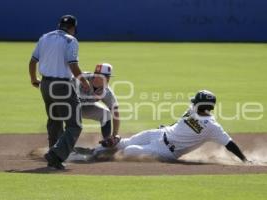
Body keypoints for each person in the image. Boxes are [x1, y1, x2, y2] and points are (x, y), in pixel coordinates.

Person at [85, 90, 250, 163]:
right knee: (122, 143)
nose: (192, 102)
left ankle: (106, 155)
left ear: (203, 104)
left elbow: (229, 143)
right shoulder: (192, 109)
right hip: (159, 134)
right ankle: (95, 152)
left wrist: (244, 160)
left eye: (196, 100)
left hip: (167, 151)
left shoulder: (212, 127)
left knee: (129, 151)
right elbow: (180, 123)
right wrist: (167, 126)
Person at [29, 14, 90, 169]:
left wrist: (34, 79)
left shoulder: (45, 37)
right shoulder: (71, 40)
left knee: (54, 121)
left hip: (45, 85)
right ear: (73, 28)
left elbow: (32, 61)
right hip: (62, 86)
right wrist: (84, 82)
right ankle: (55, 155)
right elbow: (73, 66)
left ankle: (53, 157)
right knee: (74, 125)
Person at [73, 63, 120, 143]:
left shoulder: (107, 92)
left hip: (84, 108)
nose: (108, 79)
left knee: (106, 114)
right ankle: (61, 145)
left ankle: (107, 140)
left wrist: (114, 135)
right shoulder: (81, 78)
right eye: (105, 77)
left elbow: (115, 112)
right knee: (74, 124)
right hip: (68, 107)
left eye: (108, 77)